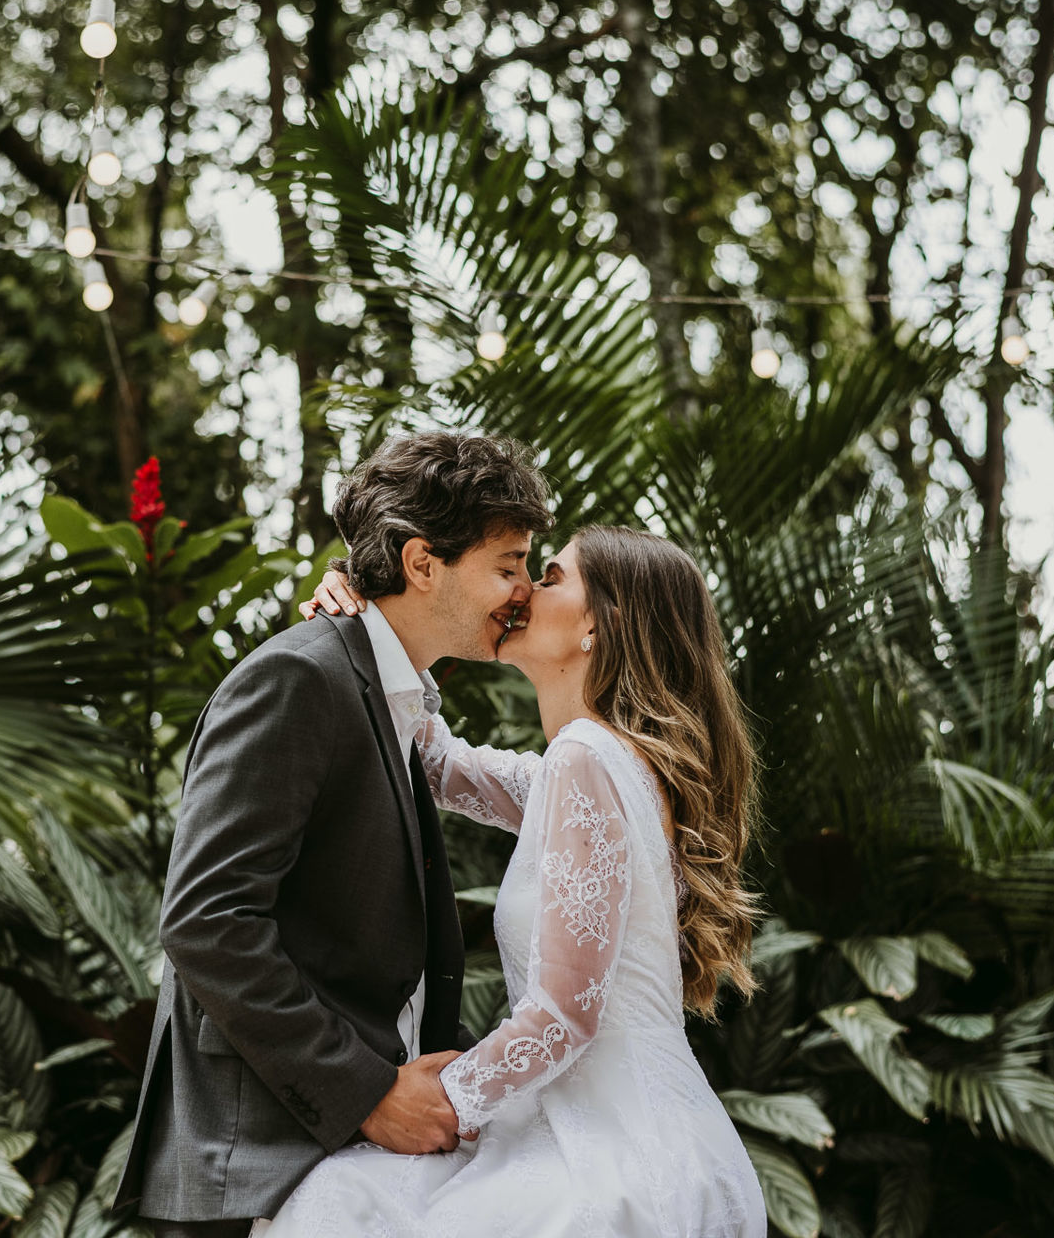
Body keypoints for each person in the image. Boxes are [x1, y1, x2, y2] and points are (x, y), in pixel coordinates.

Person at [262, 525, 767, 1238]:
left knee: (339, 1204)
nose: (524, 590)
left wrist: (432, 1100)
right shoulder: (617, 765)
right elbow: (441, 765)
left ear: (598, 625)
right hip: (666, 1136)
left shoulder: (586, 759)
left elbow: (563, 1015)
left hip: (608, 1156)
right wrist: (374, 628)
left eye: (551, 576)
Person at [114, 431, 555, 1237]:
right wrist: (368, 1093)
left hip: (365, 1164)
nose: (526, 590)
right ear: (422, 564)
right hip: (264, 1161)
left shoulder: (392, 695)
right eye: (509, 565)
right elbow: (207, 922)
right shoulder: (300, 677)